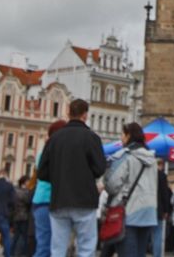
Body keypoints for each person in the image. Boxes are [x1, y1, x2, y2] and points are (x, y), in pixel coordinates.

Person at [37, 99, 107, 257]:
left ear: (68, 113)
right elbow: (100, 168)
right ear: (85, 115)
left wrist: (58, 177)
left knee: (58, 248)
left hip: (59, 199)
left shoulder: (54, 139)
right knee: (86, 247)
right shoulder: (91, 138)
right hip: (84, 200)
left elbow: (42, 172)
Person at [103, 122, 157, 257]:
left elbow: (112, 184)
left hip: (129, 212)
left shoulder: (125, 156)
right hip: (148, 212)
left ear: (128, 136)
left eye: (122, 135)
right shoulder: (152, 158)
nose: (121, 138)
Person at [32, 121, 67, 257]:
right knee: (45, 246)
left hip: (42, 201)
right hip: (46, 201)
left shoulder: (44, 151)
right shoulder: (51, 152)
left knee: (46, 245)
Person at [152, 161, 171, 257]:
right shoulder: (162, 175)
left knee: (147, 234)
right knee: (158, 234)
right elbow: (165, 194)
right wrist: (166, 210)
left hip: (147, 207)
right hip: (159, 209)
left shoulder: (148, 174)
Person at [10, 176, 30, 257]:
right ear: (24, 182)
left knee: (16, 236)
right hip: (23, 216)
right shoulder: (25, 192)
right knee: (24, 236)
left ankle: (11, 252)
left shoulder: (15, 191)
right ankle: (22, 253)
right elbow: (28, 202)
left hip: (16, 216)